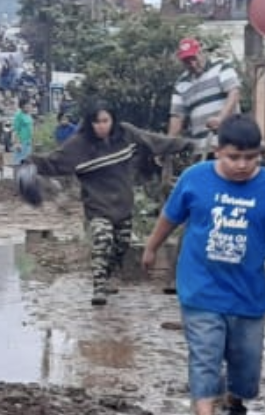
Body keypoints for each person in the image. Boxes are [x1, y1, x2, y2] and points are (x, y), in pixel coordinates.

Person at [142, 116, 265, 415]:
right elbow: (170, 216)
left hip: (248, 294)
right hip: (200, 289)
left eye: (251, 157)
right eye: (234, 157)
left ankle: (235, 402)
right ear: (218, 151)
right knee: (205, 355)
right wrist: (151, 246)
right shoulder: (195, 179)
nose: (242, 165)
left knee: (245, 364)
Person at [32, 103, 194, 306]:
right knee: (103, 239)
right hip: (97, 205)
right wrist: (29, 164)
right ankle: (99, 287)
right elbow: (53, 161)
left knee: (121, 245)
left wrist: (185, 144)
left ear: (113, 121)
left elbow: (153, 141)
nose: (101, 126)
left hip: (123, 204)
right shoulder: (79, 145)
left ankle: (107, 276)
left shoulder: (126, 135)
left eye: (105, 121)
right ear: (89, 124)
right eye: (96, 122)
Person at [167, 36, 242, 159]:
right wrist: (168, 144)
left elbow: (234, 92)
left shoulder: (221, 66)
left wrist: (221, 118)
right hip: (201, 148)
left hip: (229, 142)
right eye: (187, 61)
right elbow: (177, 117)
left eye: (193, 58)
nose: (192, 64)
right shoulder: (181, 83)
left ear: (201, 53)